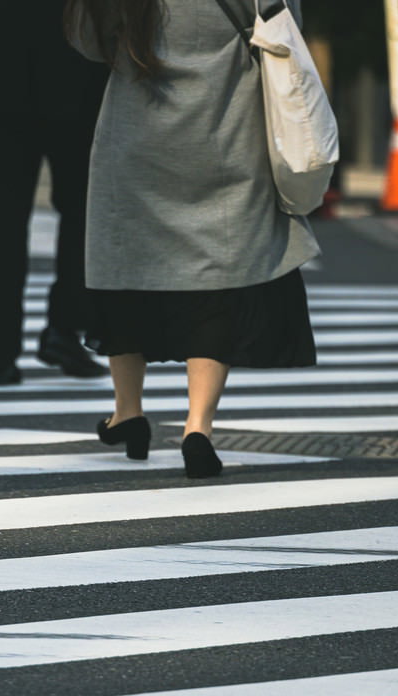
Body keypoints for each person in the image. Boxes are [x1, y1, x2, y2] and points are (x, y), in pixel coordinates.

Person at [64, 0, 319, 479]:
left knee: (126, 267)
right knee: (216, 275)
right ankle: (197, 427)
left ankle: (129, 412)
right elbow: (285, 24)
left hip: (137, 131)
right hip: (227, 125)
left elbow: (88, 42)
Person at [0, 0, 109, 386]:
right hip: (75, 78)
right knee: (80, 215)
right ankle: (64, 329)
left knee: (1, 223)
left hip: (1, 78)